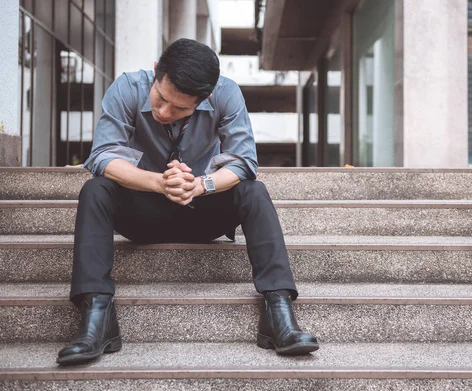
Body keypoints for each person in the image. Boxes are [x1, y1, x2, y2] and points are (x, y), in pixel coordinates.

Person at [56, 38, 319, 365]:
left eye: (179, 108)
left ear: (205, 97)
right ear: (156, 70)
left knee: (254, 189)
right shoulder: (127, 87)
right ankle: (97, 316)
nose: (164, 112)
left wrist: (200, 185)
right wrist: (158, 182)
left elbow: (243, 161)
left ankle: (278, 312)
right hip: (143, 213)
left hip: (202, 212)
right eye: (161, 98)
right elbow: (103, 156)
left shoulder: (225, 93)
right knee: (95, 189)